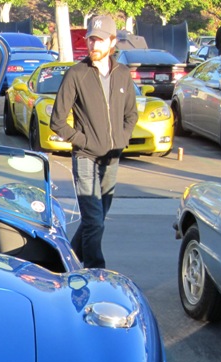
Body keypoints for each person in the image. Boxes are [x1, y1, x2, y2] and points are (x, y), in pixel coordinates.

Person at [50, 14, 137, 269]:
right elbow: (57, 121)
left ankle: (64, 263)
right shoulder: (76, 74)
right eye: (90, 39)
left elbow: (131, 114)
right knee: (95, 221)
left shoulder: (123, 74)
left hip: (112, 158)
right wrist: (83, 142)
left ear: (112, 42)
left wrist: (121, 139)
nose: (93, 45)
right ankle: (95, 270)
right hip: (85, 157)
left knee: (94, 221)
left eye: (99, 40)